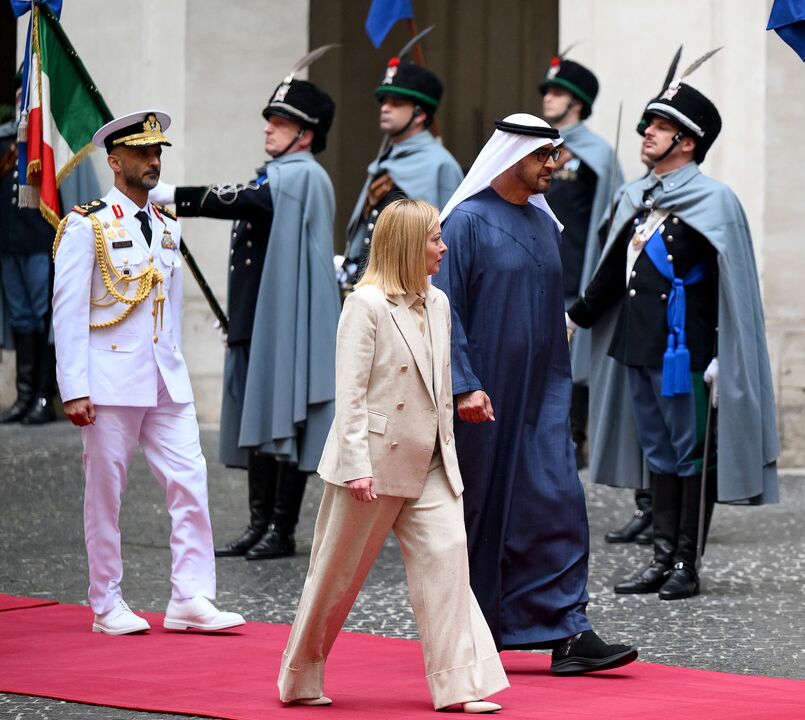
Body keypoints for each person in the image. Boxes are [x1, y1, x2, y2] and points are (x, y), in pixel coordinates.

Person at [278, 200, 507, 712]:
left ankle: (461, 686)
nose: (443, 247)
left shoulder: (441, 303)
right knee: (336, 576)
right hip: (373, 464)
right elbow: (351, 394)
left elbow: (438, 379)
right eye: (434, 239)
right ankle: (300, 676)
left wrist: (467, 397)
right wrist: (357, 465)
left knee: (448, 565)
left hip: (430, 462)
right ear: (406, 245)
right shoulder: (365, 304)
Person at [567, 52, 780, 601]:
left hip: (686, 355)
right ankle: (661, 556)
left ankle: (686, 561)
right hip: (639, 347)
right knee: (657, 454)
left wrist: (719, 354)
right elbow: (615, 271)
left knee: (689, 456)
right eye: (649, 125)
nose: (648, 133)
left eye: (660, 127)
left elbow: (729, 286)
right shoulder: (640, 199)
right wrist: (576, 316)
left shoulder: (715, 200)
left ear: (687, 142)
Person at [434, 113, 637, 675]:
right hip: (482, 398)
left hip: (544, 394)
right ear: (511, 157)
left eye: (558, 154)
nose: (556, 164)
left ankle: (568, 631)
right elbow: (441, 313)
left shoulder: (546, 225)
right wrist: (463, 385)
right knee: (485, 512)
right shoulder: (466, 223)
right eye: (545, 156)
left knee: (557, 502)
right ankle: (472, 635)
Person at [51, 110, 244, 635]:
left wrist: (175, 368)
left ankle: (190, 597)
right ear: (115, 162)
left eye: (158, 152)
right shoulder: (86, 225)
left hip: (164, 377)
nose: (153, 160)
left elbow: (171, 307)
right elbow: (68, 310)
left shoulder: (165, 225)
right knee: (106, 493)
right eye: (141, 153)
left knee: (190, 480)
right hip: (110, 380)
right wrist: (74, 388)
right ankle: (106, 601)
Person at [152, 62, 341, 561]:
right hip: (259, 318)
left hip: (286, 327)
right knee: (261, 421)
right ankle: (259, 524)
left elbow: (247, 202)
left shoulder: (301, 177)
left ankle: (281, 528)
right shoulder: (279, 176)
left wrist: (177, 196)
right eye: (269, 120)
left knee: (285, 422)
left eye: (278, 122)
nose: (267, 128)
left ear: (305, 134)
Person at [537, 53, 627, 479]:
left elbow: (612, 222)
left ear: (576, 101)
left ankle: (572, 448)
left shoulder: (597, 155)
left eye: (556, 92)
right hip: (535, 273)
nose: (548, 98)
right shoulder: (538, 148)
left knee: (572, 372)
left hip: (575, 274)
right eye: (548, 91)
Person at [1, 73, 99, 424]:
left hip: (41, 243)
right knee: (21, 317)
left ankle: (44, 395)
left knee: (44, 317)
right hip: (9, 245)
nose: (20, 101)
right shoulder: (7, 142)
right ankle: (24, 396)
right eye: (18, 94)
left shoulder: (51, 144)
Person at [338, 56, 463, 288]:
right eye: (383, 101)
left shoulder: (441, 165)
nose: (385, 108)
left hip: (409, 290)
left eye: (396, 103)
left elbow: (450, 243)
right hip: (368, 284)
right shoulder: (383, 161)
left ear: (420, 113)